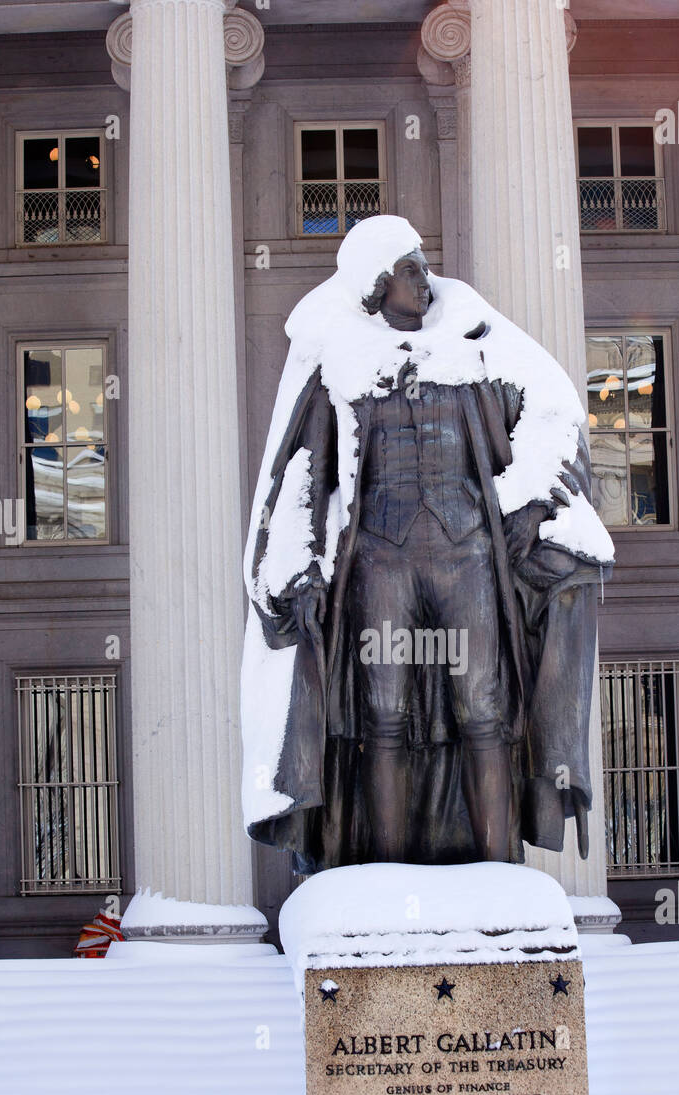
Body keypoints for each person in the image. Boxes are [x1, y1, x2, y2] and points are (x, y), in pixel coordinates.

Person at [241, 216, 613, 873]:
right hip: (377, 563)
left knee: (485, 709)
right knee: (382, 716)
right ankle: (382, 875)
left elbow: (556, 413)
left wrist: (531, 500)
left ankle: (499, 871)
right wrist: (299, 569)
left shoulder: (475, 336)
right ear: (378, 284)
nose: (425, 280)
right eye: (411, 269)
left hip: (469, 556)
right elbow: (301, 471)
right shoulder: (337, 355)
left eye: (423, 265)